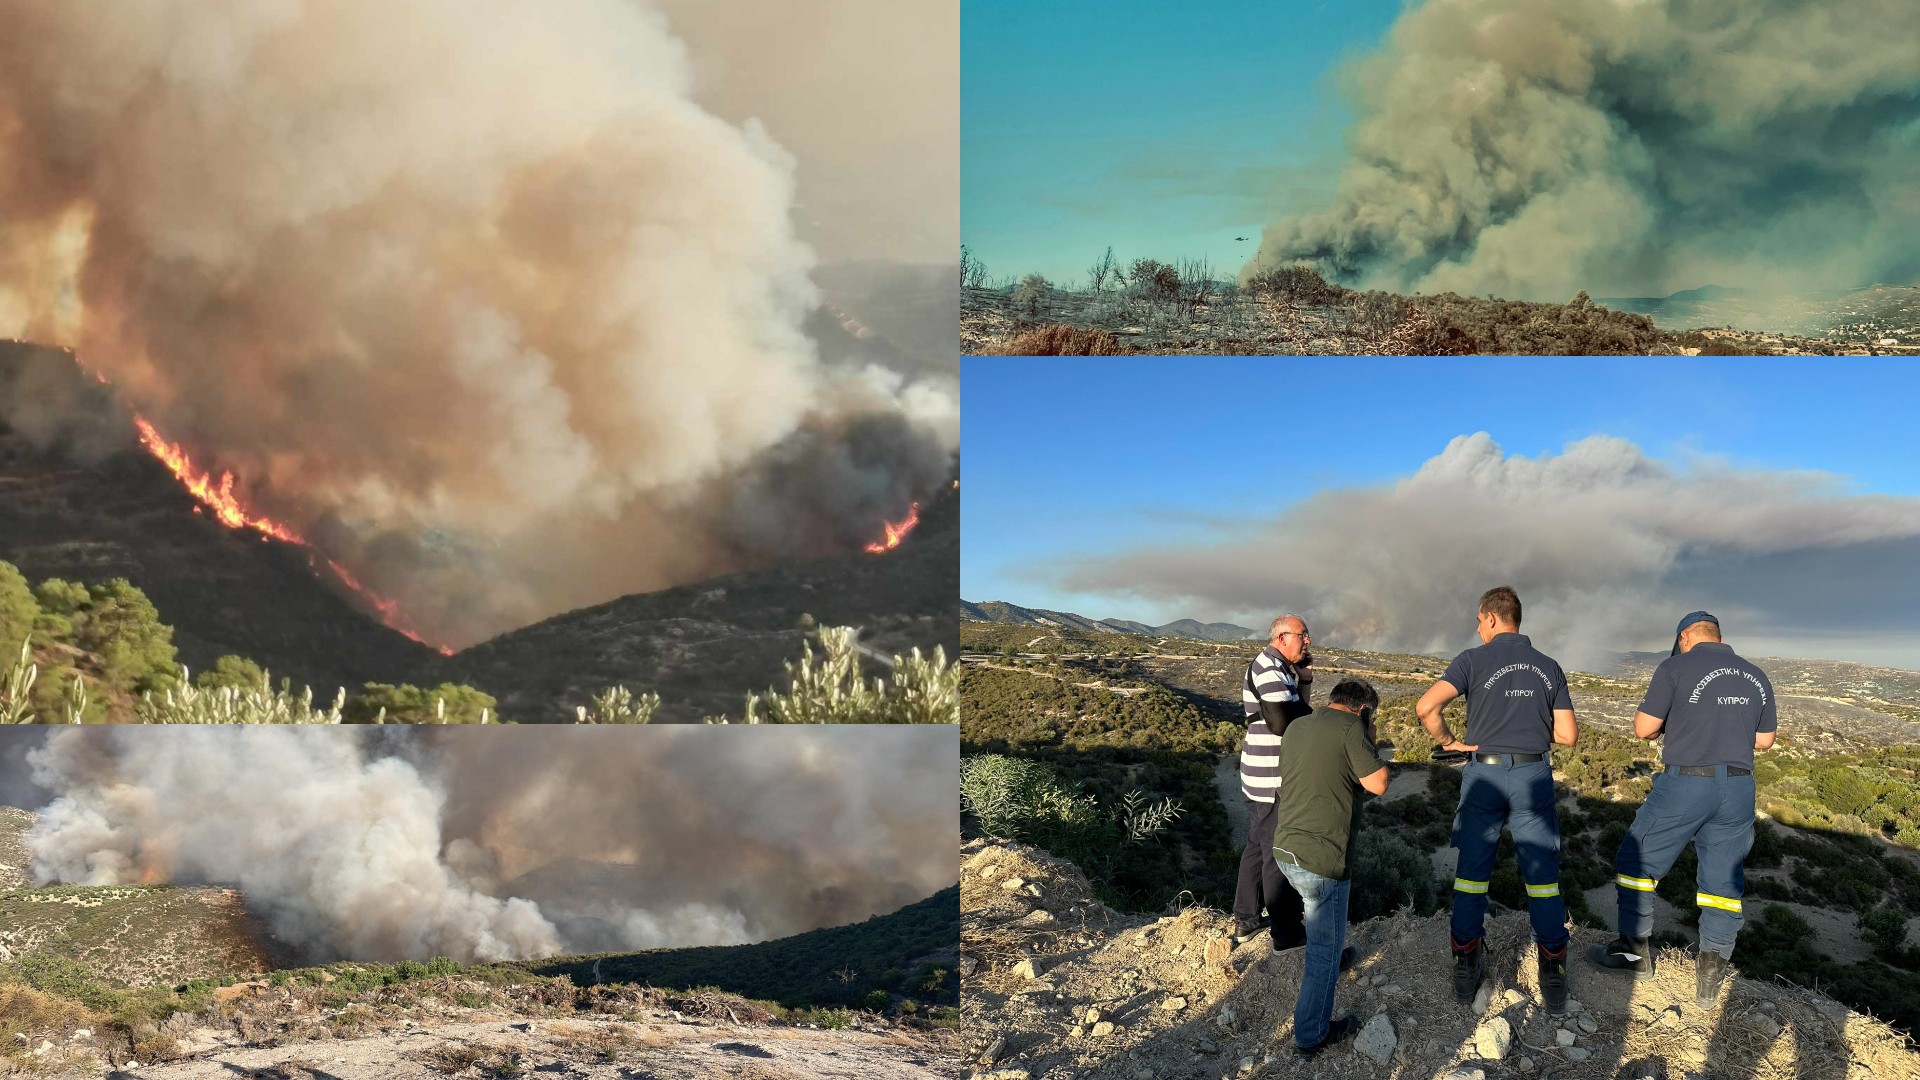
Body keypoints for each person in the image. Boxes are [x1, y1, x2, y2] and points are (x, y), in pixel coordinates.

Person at [1590, 611, 1777, 1009]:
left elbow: (1643, 728)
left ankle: (1633, 954)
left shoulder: (1675, 666)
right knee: (1723, 884)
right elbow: (1764, 741)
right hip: (1740, 787)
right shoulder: (1755, 675)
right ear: (1720, 637)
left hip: (1688, 782)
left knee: (1637, 862)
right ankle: (1709, 984)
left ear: (1685, 637)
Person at [1415, 586, 1579, 1014]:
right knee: (1542, 877)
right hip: (1532, 774)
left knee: (1472, 875)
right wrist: (1527, 735)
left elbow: (1426, 707)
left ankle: (1466, 966)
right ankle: (1554, 974)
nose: (1477, 627)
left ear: (1489, 618)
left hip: (1484, 774)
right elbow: (1568, 736)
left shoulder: (1472, 659)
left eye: (1477, 621)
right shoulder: (1549, 667)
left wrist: (1450, 741)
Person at [1271, 677, 1390, 1056]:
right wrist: (1367, 736)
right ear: (1364, 708)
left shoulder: (1299, 725)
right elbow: (1379, 783)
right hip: (1323, 860)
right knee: (1322, 948)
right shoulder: (1352, 729)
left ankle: (1335, 955)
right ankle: (1311, 1035)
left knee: (1321, 924)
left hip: (1285, 848)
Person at [1233, 614, 1316, 949]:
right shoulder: (1268, 667)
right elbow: (1283, 724)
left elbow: (1296, 714)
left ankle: (1247, 921)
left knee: (1256, 847)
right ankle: (1287, 935)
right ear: (1282, 637)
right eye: (1303, 635)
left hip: (1262, 775)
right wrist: (1311, 717)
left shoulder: (1282, 669)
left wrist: (1304, 682)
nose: (1308, 641)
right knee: (1276, 855)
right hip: (1271, 779)